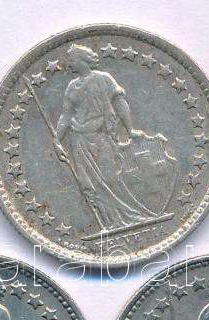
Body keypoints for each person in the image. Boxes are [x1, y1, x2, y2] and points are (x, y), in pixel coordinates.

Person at [54, 44, 156, 230]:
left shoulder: (103, 79)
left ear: (82, 60)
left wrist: (130, 130)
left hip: (102, 136)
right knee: (89, 184)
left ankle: (131, 216)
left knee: (111, 178)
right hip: (80, 140)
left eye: (72, 60)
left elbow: (120, 104)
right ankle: (110, 222)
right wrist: (57, 139)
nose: (69, 64)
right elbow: (66, 115)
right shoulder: (72, 86)